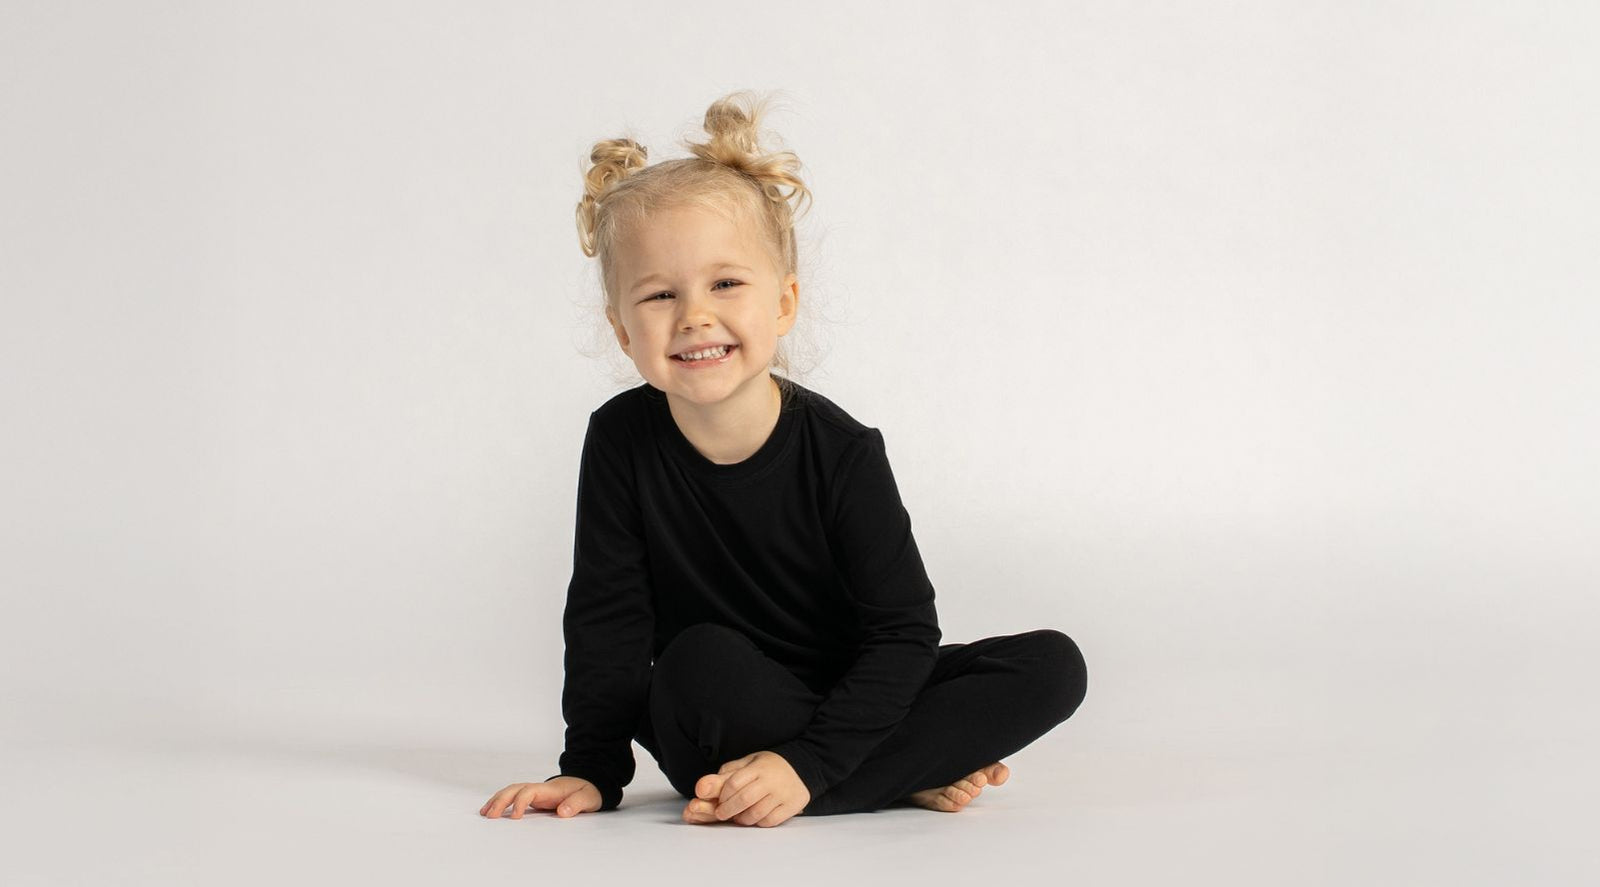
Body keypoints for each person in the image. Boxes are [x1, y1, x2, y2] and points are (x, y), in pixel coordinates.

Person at [480, 90, 1087, 827]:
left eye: (726, 283)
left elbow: (901, 635)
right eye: (660, 294)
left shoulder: (843, 451)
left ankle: (815, 777)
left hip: (841, 691)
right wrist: (591, 771)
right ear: (621, 331)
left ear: (785, 303)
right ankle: (896, 771)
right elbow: (607, 621)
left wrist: (810, 759)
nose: (695, 314)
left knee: (1052, 664)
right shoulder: (620, 440)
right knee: (697, 662)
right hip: (715, 708)